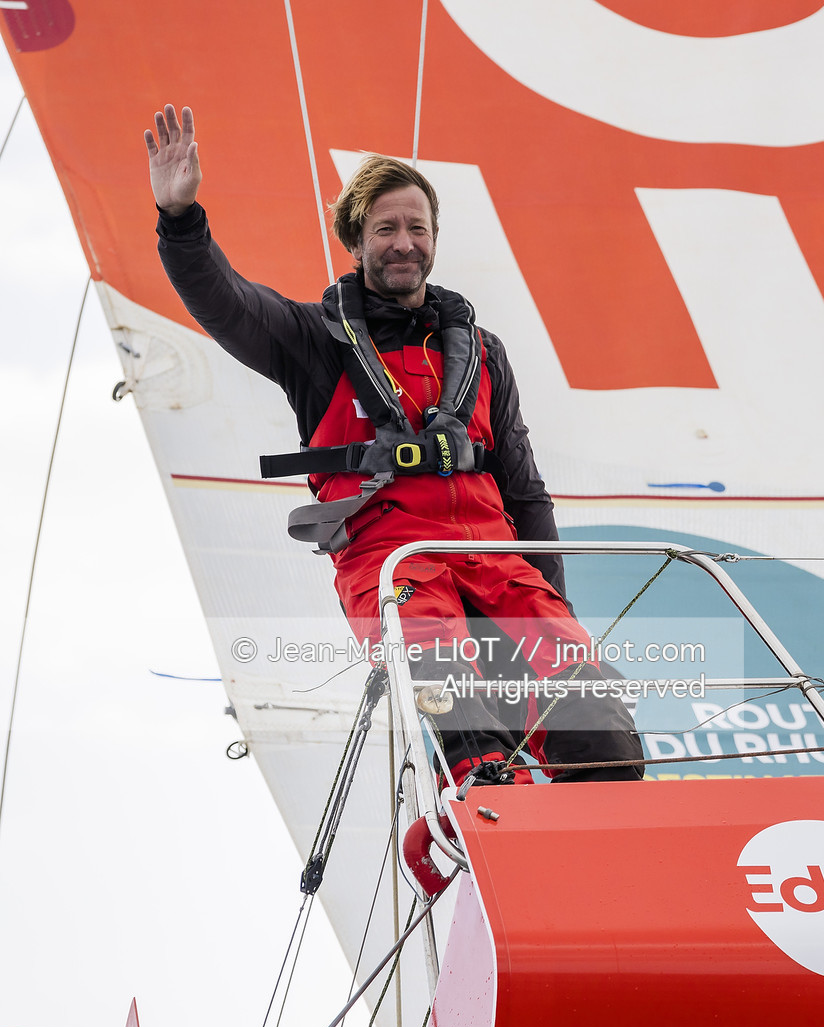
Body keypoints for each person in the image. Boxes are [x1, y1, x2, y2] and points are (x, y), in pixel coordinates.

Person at [145, 104, 643, 784]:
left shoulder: (482, 354)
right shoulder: (314, 343)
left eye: (417, 227)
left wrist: (552, 609)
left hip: (499, 564)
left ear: (435, 237)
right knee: (472, 745)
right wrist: (181, 222)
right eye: (386, 228)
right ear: (357, 241)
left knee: (602, 731)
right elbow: (228, 302)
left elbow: (525, 492)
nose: (403, 241)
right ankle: (471, 832)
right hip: (399, 568)